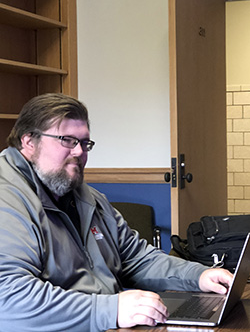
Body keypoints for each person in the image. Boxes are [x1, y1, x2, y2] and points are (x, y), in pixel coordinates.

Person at [0, 93, 232, 332]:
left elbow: (136, 258)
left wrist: (199, 276)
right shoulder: (7, 199)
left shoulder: (86, 197)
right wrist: (110, 311)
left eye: (84, 143)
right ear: (28, 142)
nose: (79, 152)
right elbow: (8, 299)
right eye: (67, 140)